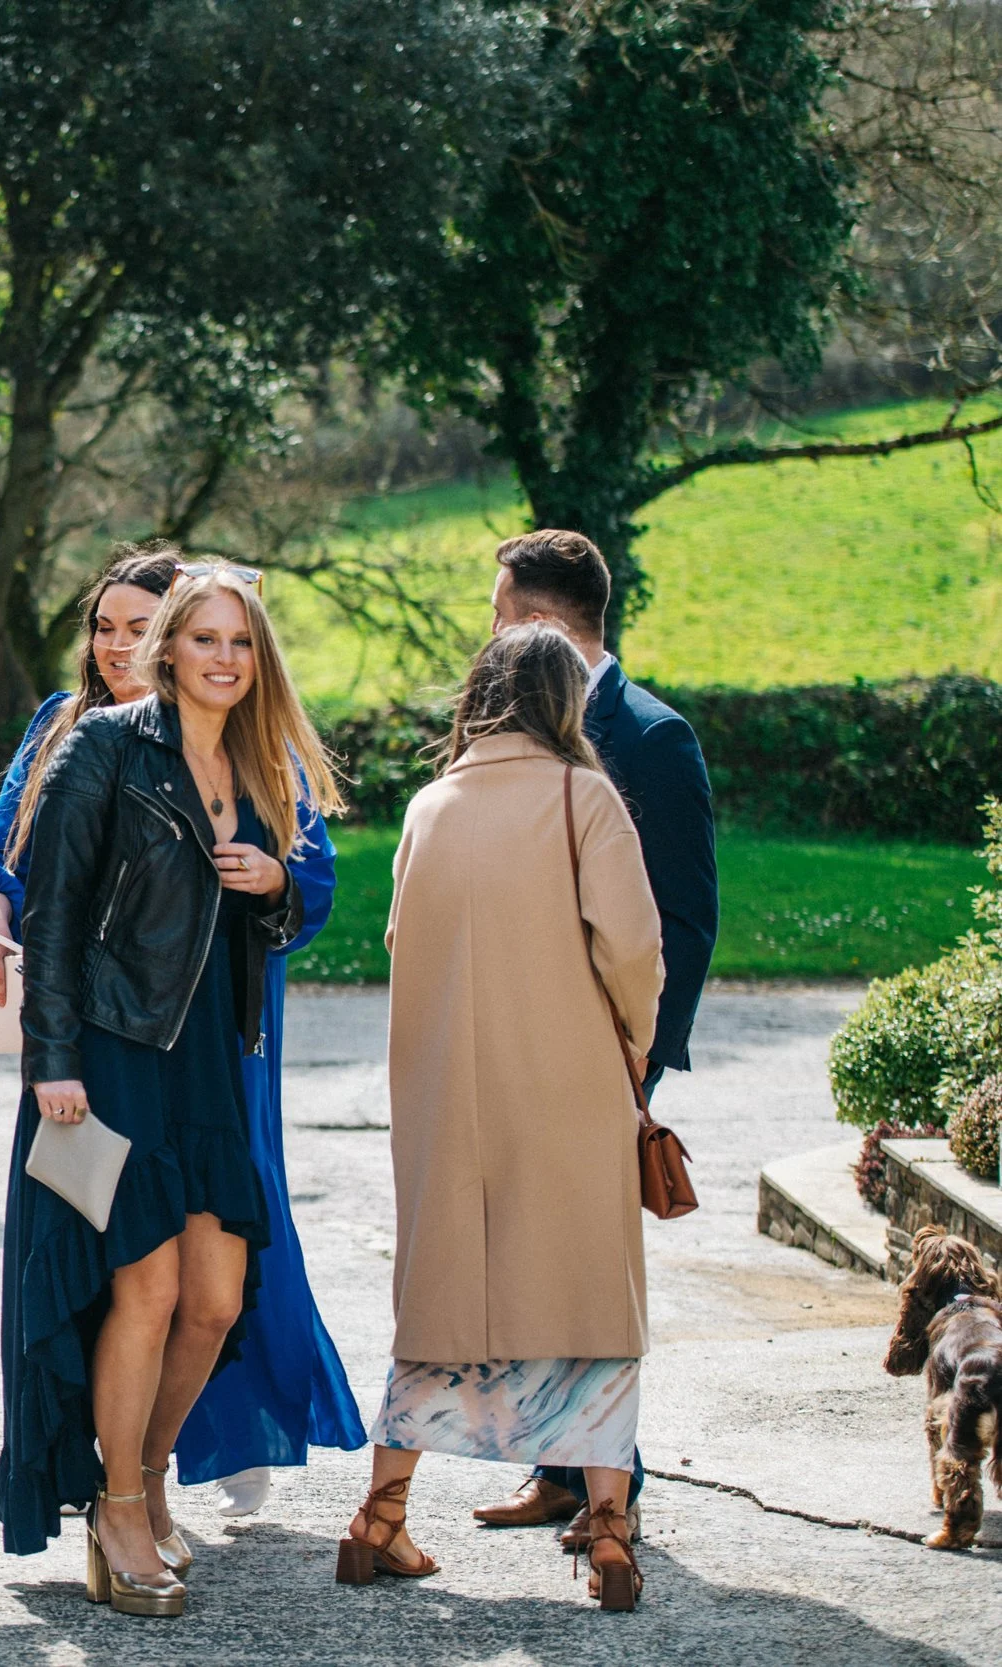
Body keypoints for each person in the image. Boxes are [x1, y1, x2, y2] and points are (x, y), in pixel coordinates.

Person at [0, 546, 363, 1521]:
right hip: (106, 1036)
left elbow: (303, 872)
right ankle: (121, 1487)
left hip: (224, 1042)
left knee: (220, 1272)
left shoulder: (246, 745)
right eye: (107, 626)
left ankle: (193, 1441)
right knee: (123, 1268)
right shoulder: (73, 732)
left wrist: (276, 882)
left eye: (140, 626)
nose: (117, 643)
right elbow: (13, 862)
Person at [341, 623, 662, 1613]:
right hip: (567, 1092)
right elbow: (634, 952)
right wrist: (634, 1053)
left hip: (448, 1103)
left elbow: (402, 939)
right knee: (592, 1314)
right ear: (565, 700)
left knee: (438, 1311)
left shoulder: (427, 807)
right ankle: (606, 1530)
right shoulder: (585, 797)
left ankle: (379, 1515)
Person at [469, 529, 717, 1546]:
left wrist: (637, 1059)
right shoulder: (512, 733)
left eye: (496, 614)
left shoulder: (650, 738)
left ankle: (612, 1483)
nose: (486, 633)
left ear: (533, 621)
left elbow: (685, 919)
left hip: (606, 1056)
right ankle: (561, 1469)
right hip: (520, 1044)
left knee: (593, 1271)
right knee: (531, 1259)